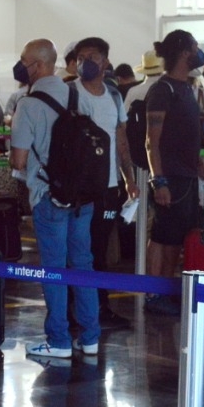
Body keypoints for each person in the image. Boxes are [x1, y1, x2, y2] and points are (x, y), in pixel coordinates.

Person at [11, 39, 99, 359]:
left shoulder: (28, 104)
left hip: (48, 195)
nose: (21, 66)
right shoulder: (78, 94)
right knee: (83, 264)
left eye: (24, 60)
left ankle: (59, 339)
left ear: (38, 65)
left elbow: (18, 161)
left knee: (54, 268)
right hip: (82, 196)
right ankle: (90, 337)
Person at [71, 37, 138, 327]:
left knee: (99, 250)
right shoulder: (68, 94)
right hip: (78, 188)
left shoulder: (113, 96)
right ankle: (74, 310)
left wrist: (129, 179)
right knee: (76, 248)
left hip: (108, 187)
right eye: (81, 56)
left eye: (93, 56)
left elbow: (121, 140)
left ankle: (99, 308)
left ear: (106, 62)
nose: (86, 61)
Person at [142, 30, 204, 314]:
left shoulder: (187, 88)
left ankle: (167, 290)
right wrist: (159, 180)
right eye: (195, 47)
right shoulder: (162, 90)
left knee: (176, 238)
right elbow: (150, 141)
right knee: (161, 237)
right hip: (170, 177)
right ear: (184, 52)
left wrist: (201, 167)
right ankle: (154, 295)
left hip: (187, 177)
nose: (198, 53)